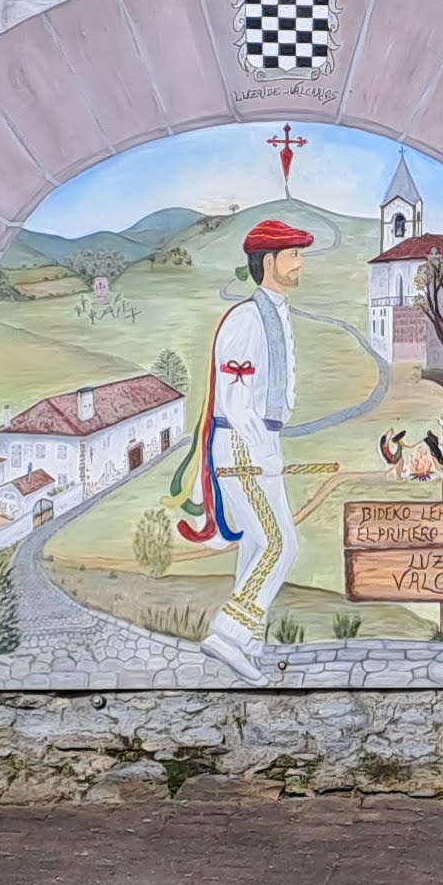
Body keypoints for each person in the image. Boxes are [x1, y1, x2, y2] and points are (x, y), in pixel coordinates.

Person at [179, 218, 314, 682]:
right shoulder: (245, 320)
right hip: (241, 443)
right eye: (293, 255)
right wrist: (263, 450)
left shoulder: (276, 312)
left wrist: (269, 445)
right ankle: (228, 634)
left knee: (259, 543)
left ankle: (247, 643)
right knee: (281, 544)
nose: (300, 263)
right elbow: (235, 401)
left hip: (258, 441)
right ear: (269, 262)